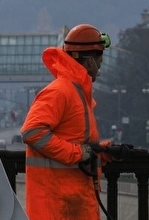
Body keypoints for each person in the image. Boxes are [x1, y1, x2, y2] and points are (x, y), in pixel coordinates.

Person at [21, 23, 114, 220]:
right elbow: (32, 132)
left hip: (72, 201)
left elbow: (74, 140)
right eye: (100, 60)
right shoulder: (61, 91)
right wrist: (78, 153)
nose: (101, 67)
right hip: (57, 205)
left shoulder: (77, 93)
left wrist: (102, 151)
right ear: (89, 61)